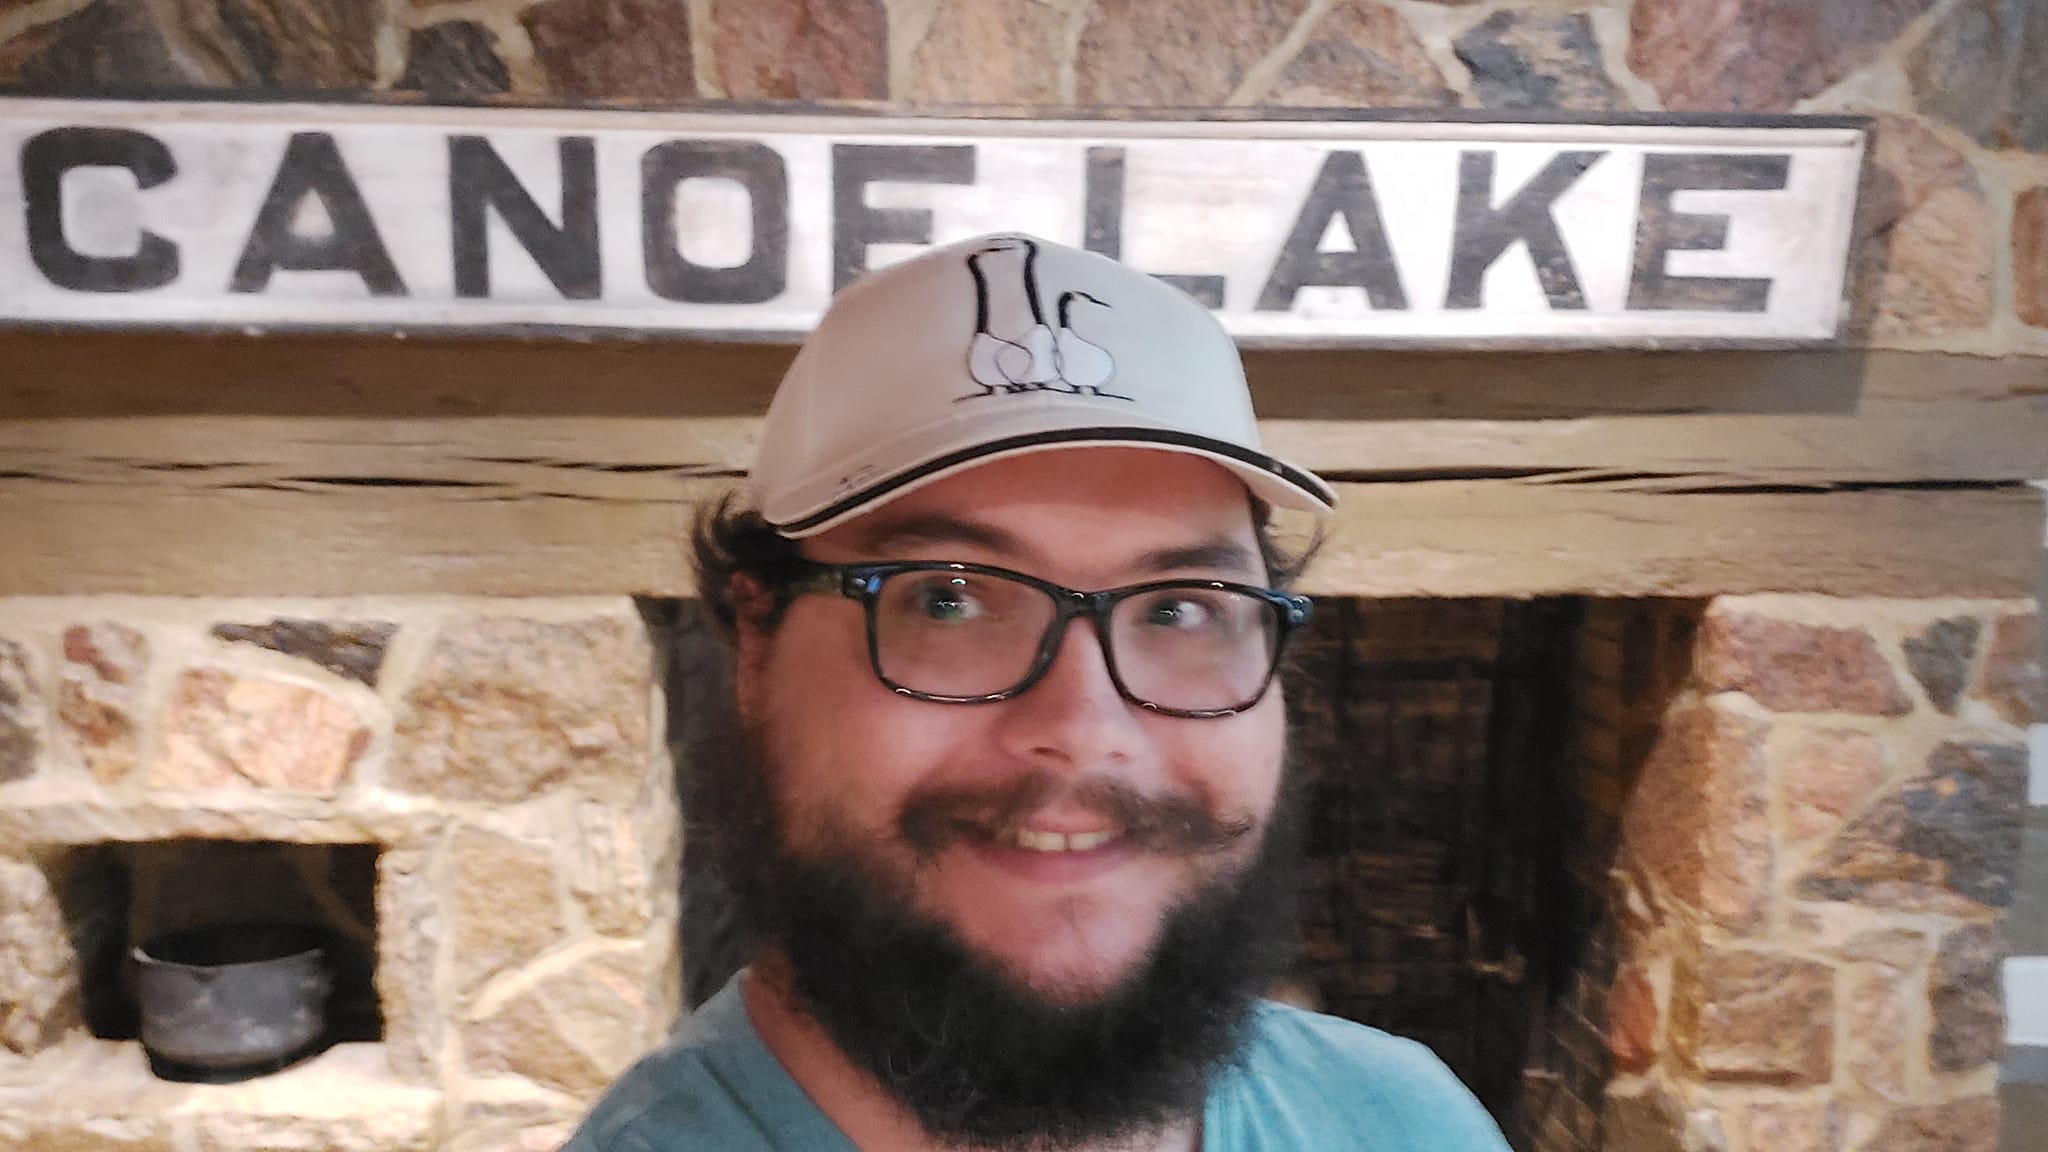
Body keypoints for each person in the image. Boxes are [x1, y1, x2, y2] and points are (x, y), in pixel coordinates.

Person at [563, 234, 1512, 1152]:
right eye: (948, 600)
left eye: (1179, 609)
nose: (1086, 733)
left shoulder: (1406, 1118)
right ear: (756, 649)